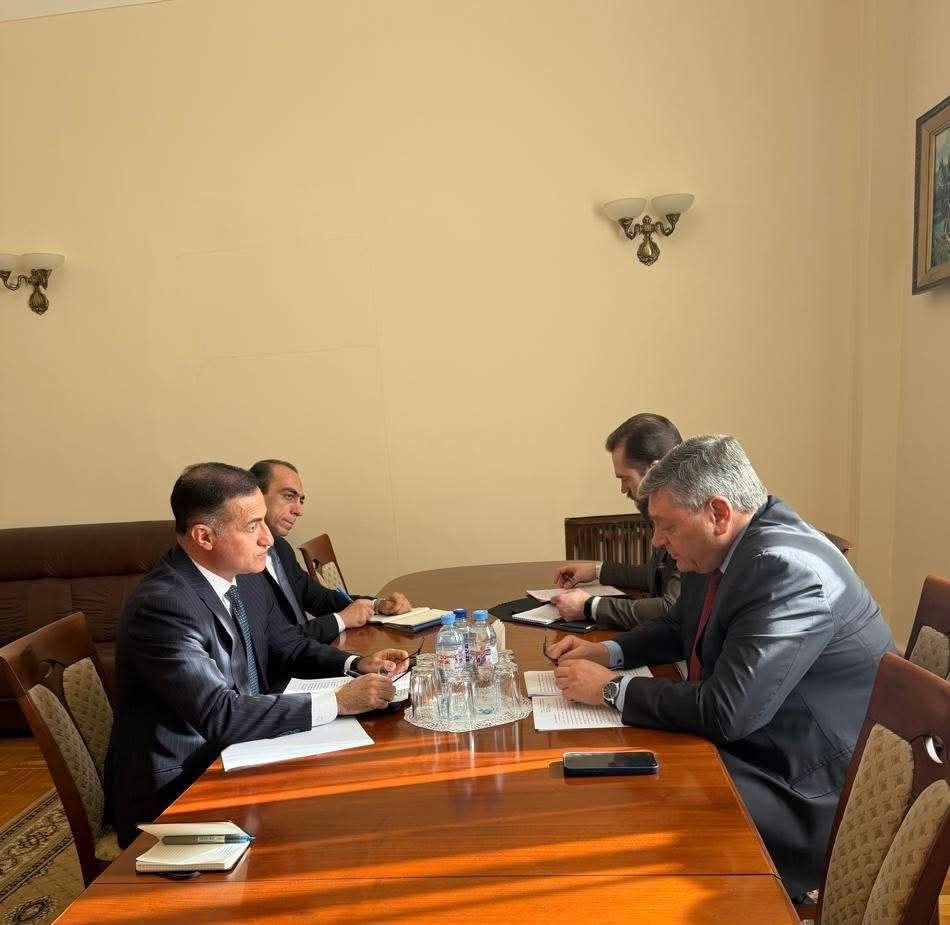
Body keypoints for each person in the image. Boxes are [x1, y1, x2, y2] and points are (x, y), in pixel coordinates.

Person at [548, 435, 895, 899]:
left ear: (718, 512)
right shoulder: (722, 547)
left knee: (636, 814)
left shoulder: (785, 570)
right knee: (622, 783)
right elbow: (678, 625)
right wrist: (607, 653)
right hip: (765, 740)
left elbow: (727, 711)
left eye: (666, 526)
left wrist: (611, 689)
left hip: (808, 786)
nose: (656, 541)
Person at [106, 463, 408, 846]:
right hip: (179, 790)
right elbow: (219, 714)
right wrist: (337, 701)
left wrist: (356, 664)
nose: (268, 539)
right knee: (331, 831)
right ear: (204, 536)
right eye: (252, 526)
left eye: (264, 521)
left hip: (239, 752)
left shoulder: (241, 577)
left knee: (356, 794)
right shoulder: (163, 606)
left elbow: (287, 643)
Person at [250, 459, 412, 644]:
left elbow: (319, 599)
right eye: (288, 496)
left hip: (312, 650)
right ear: (255, 495)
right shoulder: (241, 563)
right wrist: (341, 620)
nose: (298, 510)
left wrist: (377, 605)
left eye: (301, 500)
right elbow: (274, 642)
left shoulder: (280, 548)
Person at [551, 412, 682, 628]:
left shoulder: (687, 517)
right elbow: (657, 576)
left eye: (625, 478)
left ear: (655, 471)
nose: (622, 489)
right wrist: (597, 571)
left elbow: (672, 608)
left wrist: (590, 606)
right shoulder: (667, 511)